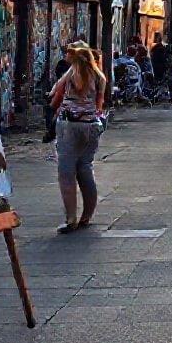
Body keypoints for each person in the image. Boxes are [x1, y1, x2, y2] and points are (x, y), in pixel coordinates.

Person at [50, 41, 107, 234]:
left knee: (66, 173)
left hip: (69, 126)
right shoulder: (99, 77)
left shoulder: (70, 76)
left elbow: (55, 98)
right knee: (85, 169)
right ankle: (87, 215)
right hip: (91, 126)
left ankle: (71, 219)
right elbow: (100, 103)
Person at [43, 44, 71, 143]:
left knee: (53, 111)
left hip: (71, 109)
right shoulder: (88, 76)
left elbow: (53, 96)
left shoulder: (62, 81)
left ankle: (50, 132)